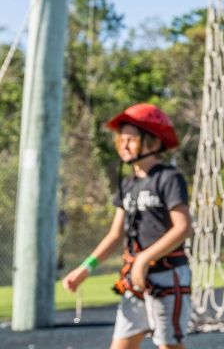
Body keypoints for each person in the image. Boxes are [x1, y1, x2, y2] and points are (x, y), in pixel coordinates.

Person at [61, 103, 192, 349]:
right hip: (135, 281)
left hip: (167, 278)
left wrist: (144, 259)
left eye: (131, 139)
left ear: (153, 143)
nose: (123, 145)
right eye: (121, 139)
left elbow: (183, 227)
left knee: (169, 346)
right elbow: (115, 234)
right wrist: (86, 268)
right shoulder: (127, 185)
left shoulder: (169, 178)